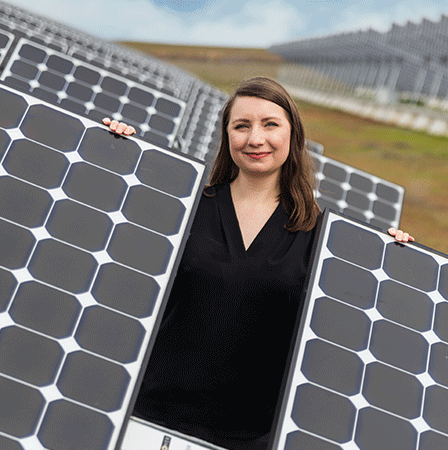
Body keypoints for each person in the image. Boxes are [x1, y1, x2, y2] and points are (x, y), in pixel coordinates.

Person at [103, 77, 413, 450]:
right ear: (226, 135)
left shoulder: (323, 235)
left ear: (293, 135)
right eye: (241, 126)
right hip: (147, 417)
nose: (255, 139)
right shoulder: (186, 201)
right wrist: (120, 154)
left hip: (248, 437)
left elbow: (349, 329)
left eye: (270, 124)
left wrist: (393, 256)